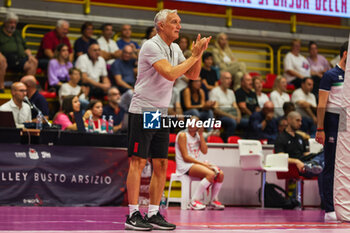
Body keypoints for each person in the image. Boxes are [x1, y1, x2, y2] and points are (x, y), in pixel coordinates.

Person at [126, 9, 211, 231]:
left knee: (161, 163)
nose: (179, 26)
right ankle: (133, 213)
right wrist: (193, 56)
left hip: (159, 112)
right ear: (160, 26)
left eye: (180, 22)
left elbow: (192, 75)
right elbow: (171, 74)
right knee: (137, 161)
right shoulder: (151, 46)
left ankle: (153, 213)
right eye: (174, 22)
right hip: (143, 110)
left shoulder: (174, 48)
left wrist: (198, 54)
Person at [316, 41, 348, 222]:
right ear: (345, 54)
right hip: (333, 120)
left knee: (345, 167)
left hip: (347, 121)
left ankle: (344, 204)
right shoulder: (330, 75)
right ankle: (329, 208)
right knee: (331, 165)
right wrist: (320, 128)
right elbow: (322, 104)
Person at [175, 116, 225, 210]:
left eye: (194, 123)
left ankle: (213, 200)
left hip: (196, 164)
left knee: (220, 174)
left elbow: (204, 151)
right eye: (190, 122)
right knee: (211, 174)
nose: (191, 124)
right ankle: (193, 201)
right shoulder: (183, 135)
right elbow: (186, 158)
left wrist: (201, 135)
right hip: (185, 165)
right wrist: (203, 164)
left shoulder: (198, 135)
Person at [275, 111, 324, 194]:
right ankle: (314, 164)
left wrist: (314, 155)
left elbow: (304, 153)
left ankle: (314, 162)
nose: (300, 123)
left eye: (301, 121)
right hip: (296, 167)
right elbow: (280, 157)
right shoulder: (281, 138)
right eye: (297, 120)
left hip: (305, 162)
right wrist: (296, 161)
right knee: (322, 170)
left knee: (325, 152)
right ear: (289, 120)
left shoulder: (300, 137)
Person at [0, 12, 38, 93]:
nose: (13, 25)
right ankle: (1, 87)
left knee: (33, 62)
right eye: (11, 22)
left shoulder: (17, 33)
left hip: (19, 58)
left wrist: (30, 55)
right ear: (5, 23)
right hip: (5, 58)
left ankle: (25, 88)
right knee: (1, 61)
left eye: (15, 23)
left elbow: (26, 48)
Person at [209, 71, 241, 142]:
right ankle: (228, 142)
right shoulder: (215, 91)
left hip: (233, 115)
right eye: (227, 78)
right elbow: (216, 110)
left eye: (230, 79)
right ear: (221, 80)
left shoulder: (231, 92)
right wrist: (231, 116)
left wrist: (239, 116)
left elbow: (236, 107)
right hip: (221, 116)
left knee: (248, 122)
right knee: (232, 122)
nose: (229, 81)